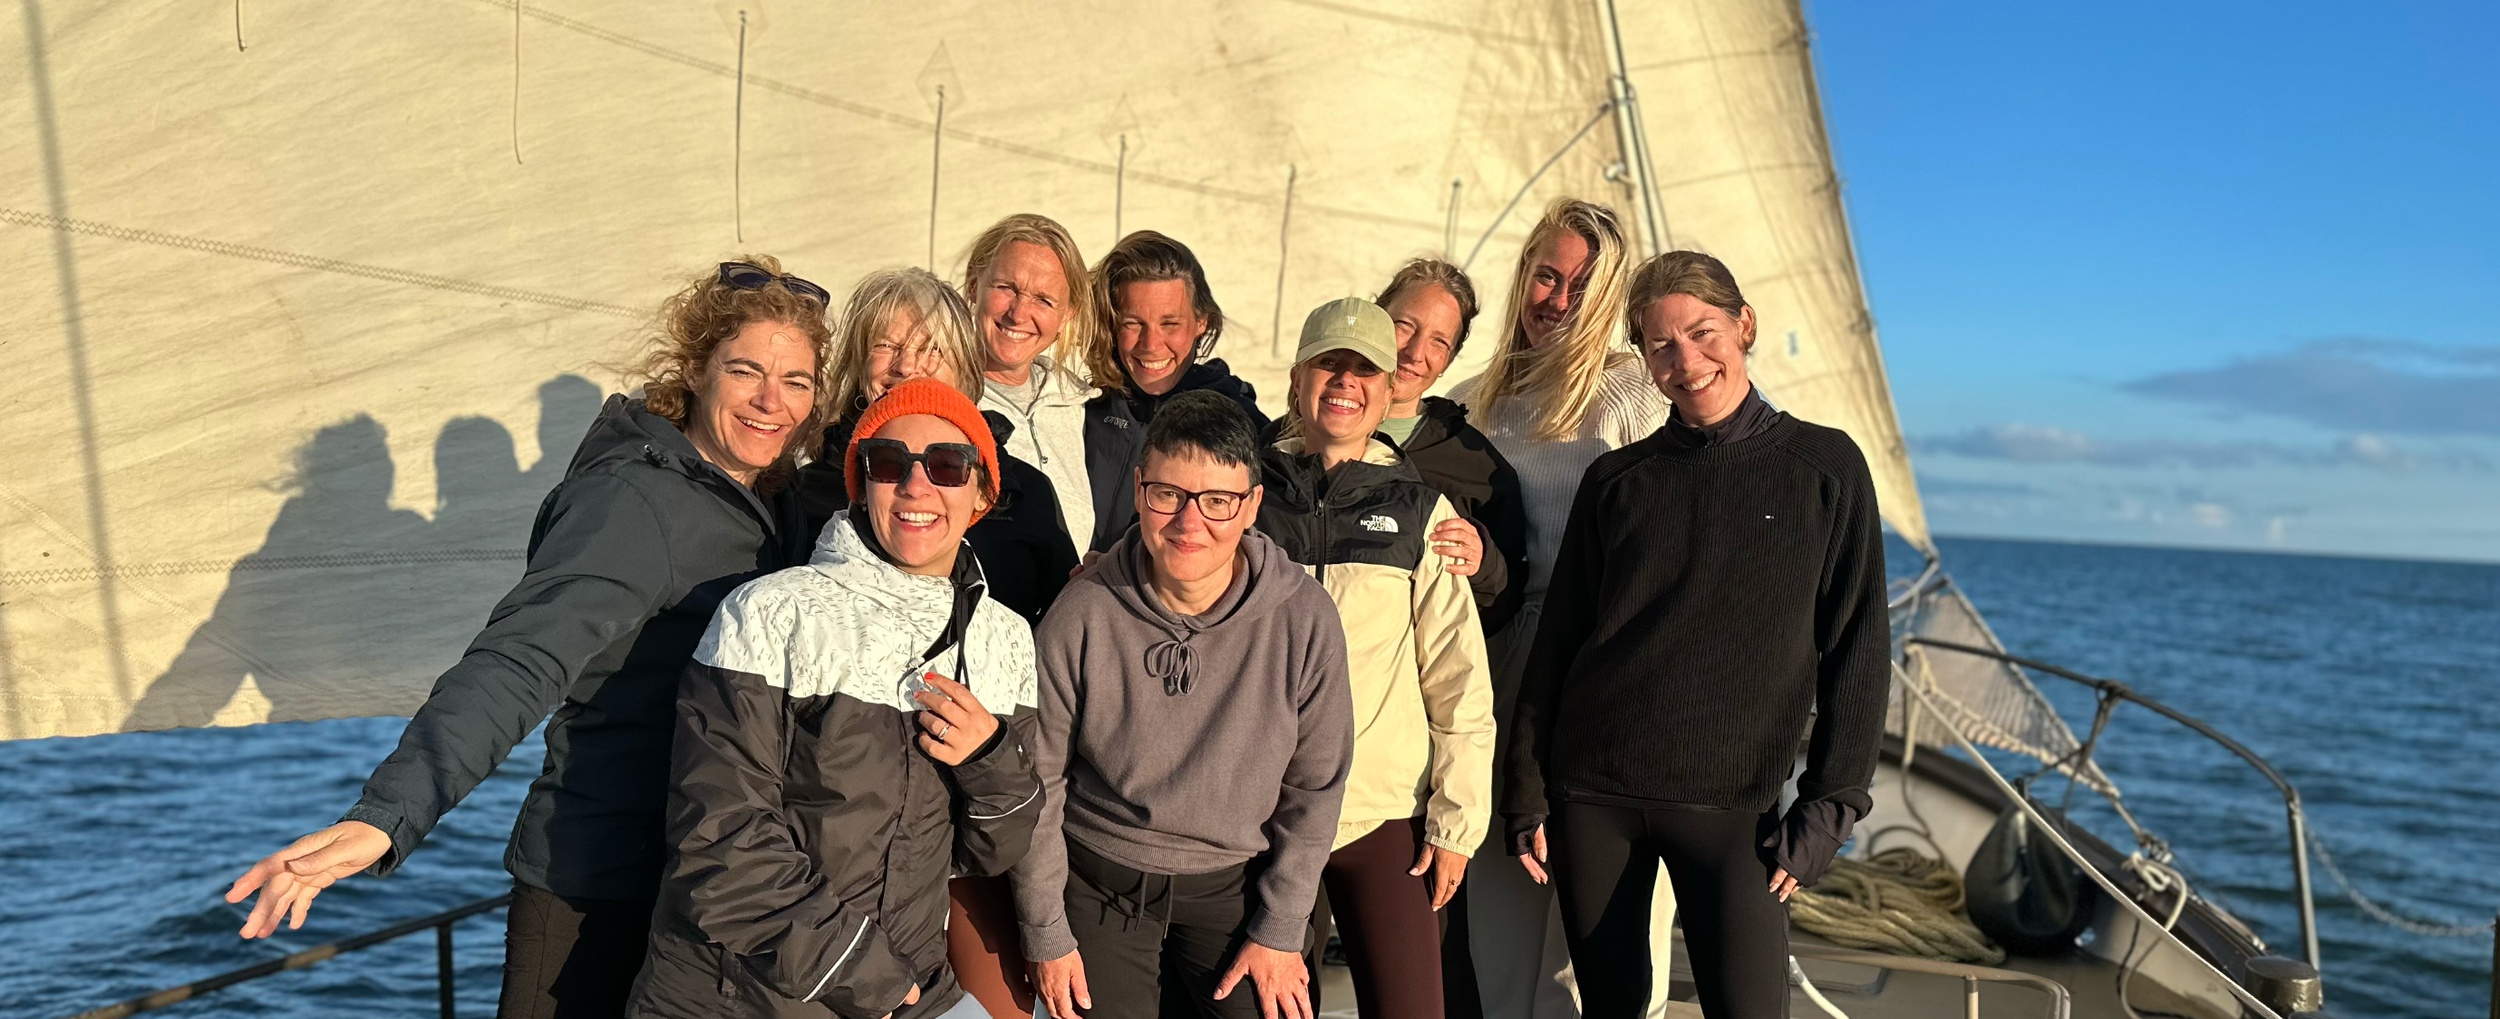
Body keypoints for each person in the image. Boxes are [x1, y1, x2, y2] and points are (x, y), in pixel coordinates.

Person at [224, 257, 831, 1018]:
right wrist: (385, 815)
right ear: (697, 370)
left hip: (706, 883)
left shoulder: (773, 500)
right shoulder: (634, 503)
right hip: (596, 884)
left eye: (797, 381)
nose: (772, 401)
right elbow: (518, 662)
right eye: (746, 371)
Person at [1503, 251, 1889, 1018]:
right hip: (1593, 795)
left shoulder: (1826, 467)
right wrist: (1526, 787)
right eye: (1660, 345)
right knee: (1609, 1008)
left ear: (1743, 325)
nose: (1686, 360)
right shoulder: (1618, 481)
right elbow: (1563, 641)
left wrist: (1829, 806)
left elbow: (1858, 649)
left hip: (1735, 808)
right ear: (1643, 359)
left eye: (1703, 332)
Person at [629, 378, 1043, 1019]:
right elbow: (721, 841)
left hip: (903, 986)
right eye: (887, 463)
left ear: (982, 493)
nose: (916, 485)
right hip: (745, 995)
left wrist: (988, 756)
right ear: (860, 481)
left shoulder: (1007, 640)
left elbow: (987, 850)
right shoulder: (768, 611)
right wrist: (881, 986)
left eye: (947, 465)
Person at [1013, 391, 1353, 1019]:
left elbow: (1316, 786)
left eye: (1218, 501)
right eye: (1167, 494)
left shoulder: (1303, 617)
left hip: (1233, 888)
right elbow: (1040, 782)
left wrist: (1280, 925)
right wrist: (1046, 929)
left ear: (1251, 504)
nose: (1188, 523)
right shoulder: (1083, 612)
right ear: (1140, 489)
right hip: (1098, 882)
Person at [1444, 200, 1672, 1019]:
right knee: (1498, 935)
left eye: (1582, 285)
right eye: (1547, 275)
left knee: (1601, 948)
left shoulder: (1638, 392)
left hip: (1608, 673)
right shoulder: (1471, 402)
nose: (1558, 300)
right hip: (1501, 662)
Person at [1255, 299, 1494, 1019]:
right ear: (1298, 379)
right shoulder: (1247, 500)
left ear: (1390, 389)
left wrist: (1456, 824)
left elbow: (1458, 678)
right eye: (1330, 363)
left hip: (1381, 817)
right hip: (1262, 813)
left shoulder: (1423, 511)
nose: (1345, 381)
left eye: (1366, 368)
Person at [797, 267, 1080, 625]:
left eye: (932, 348)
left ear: (964, 368)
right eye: (886, 345)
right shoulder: (807, 490)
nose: (907, 366)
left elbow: (1065, 624)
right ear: (859, 361)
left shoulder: (1025, 492)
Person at [1080, 231, 1269, 552]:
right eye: (1133, 323)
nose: (1151, 345)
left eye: (1170, 324)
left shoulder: (1241, 422)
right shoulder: (1081, 408)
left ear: (1200, 323)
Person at [1371, 258, 1528, 634]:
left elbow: (1505, 602)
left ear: (1449, 360)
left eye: (1439, 341)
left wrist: (1483, 563)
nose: (1414, 351)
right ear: (1374, 319)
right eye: (1404, 326)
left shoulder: (1480, 470)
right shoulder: (1300, 435)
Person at [962, 214, 1102, 554]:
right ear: (973, 284)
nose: (1019, 313)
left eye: (1044, 299)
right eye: (1006, 288)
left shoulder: (1081, 404)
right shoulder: (942, 403)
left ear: (1066, 314)